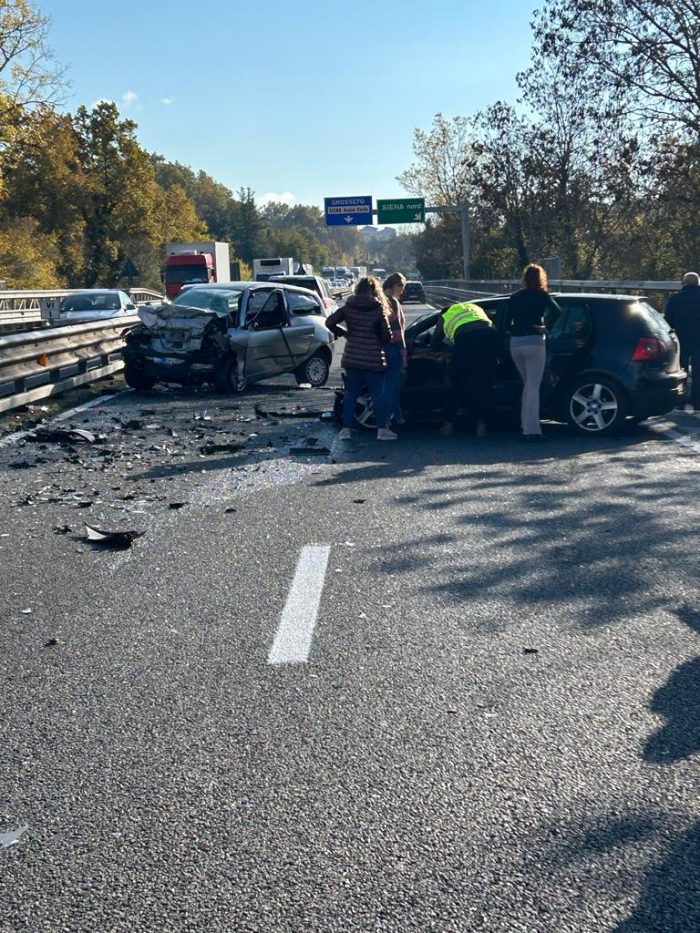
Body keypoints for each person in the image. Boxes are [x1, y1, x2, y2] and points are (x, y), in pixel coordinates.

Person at [325, 276, 396, 441]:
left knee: (351, 394)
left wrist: (345, 333)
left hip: (352, 357)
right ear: (374, 290)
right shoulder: (378, 308)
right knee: (378, 395)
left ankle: (346, 429)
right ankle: (382, 430)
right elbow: (386, 336)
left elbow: (329, 322)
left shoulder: (349, 306)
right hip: (373, 359)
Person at [430, 300, 500, 437]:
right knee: (484, 384)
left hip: (465, 340)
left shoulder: (446, 315)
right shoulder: (475, 308)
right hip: (489, 336)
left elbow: (435, 342)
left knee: (457, 384)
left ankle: (448, 425)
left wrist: (447, 349)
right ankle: (482, 425)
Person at [507, 264, 561, 441]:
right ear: (541, 279)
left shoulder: (514, 297)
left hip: (515, 343)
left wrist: (515, 331)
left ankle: (524, 424)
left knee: (527, 384)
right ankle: (532, 430)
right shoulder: (542, 296)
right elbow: (557, 311)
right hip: (534, 342)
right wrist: (546, 327)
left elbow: (506, 323)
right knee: (533, 386)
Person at [665, 272, 700, 409]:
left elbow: (668, 321)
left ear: (684, 283)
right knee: (698, 372)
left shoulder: (675, 299)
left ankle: (681, 398)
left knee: (681, 369)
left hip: (681, 339)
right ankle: (697, 401)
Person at [382, 272, 407, 427]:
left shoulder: (378, 300)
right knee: (391, 387)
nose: (402, 291)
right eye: (401, 287)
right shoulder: (392, 302)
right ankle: (386, 420)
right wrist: (403, 353)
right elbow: (397, 331)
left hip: (378, 349)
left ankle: (398, 417)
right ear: (394, 286)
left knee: (388, 386)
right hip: (392, 349)